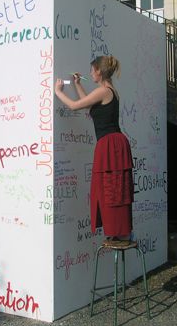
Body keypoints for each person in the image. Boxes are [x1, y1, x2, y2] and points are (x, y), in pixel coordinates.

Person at [54, 55, 133, 242]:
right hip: (113, 143)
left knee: (112, 187)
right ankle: (118, 229)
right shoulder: (107, 90)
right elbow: (89, 106)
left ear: (99, 71)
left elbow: (75, 106)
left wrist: (58, 91)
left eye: (92, 70)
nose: (90, 73)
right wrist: (78, 85)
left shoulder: (104, 91)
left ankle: (119, 231)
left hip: (110, 145)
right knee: (111, 187)